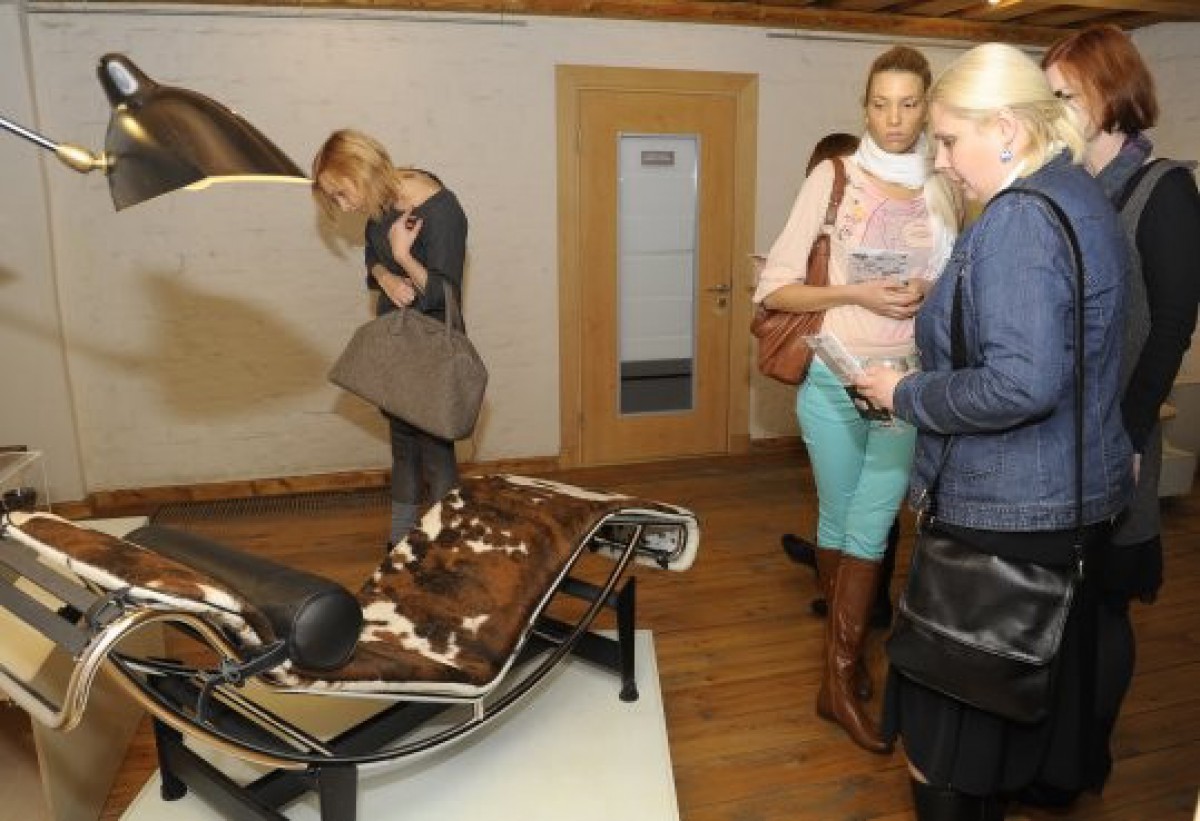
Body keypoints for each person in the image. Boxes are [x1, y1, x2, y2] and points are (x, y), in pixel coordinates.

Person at [855, 43, 1134, 819]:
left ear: (1007, 128)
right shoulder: (1078, 194)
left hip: (1002, 515)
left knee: (941, 742)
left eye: (949, 139)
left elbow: (1023, 381)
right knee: (1003, 728)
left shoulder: (1017, 219)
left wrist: (907, 391)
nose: (941, 161)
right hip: (1066, 503)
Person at [754, 45, 959, 754]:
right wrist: (857, 293)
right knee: (838, 519)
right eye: (880, 104)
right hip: (832, 379)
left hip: (905, 386)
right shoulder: (834, 176)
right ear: (864, 107)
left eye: (908, 104)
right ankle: (840, 671)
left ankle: (839, 679)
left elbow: (960, 286)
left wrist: (929, 291)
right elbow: (776, 290)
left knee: (870, 526)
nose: (894, 118)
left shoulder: (946, 183)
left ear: (927, 107)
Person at [1041, 25, 1200, 799]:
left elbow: (1171, 325)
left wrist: (1131, 434)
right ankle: (1052, 749)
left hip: (1118, 438)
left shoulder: (1164, 188)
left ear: (1109, 92)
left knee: (1103, 606)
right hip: (1057, 439)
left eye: (1063, 95)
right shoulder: (1067, 183)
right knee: (1057, 609)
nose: (1052, 110)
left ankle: (1085, 760)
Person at [312, 130, 470, 552]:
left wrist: (403, 256)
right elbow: (372, 255)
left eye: (342, 193)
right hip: (396, 343)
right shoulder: (383, 204)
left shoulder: (443, 210)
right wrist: (385, 276)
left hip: (430, 349)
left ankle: (446, 547)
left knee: (436, 453)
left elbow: (444, 296)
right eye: (334, 198)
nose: (344, 206)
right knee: (403, 448)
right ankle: (400, 544)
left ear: (362, 171)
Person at [779, 131, 901, 631]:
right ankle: (844, 624)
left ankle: (869, 607)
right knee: (845, 506)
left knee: (873, 510)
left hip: (892, 373)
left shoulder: (906, 218)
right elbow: (777, 291)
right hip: (832, 372)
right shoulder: (819, 217)